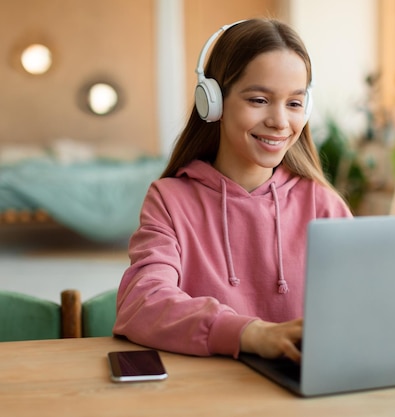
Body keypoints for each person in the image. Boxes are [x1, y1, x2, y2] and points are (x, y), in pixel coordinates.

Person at [113, 18, 352, 363]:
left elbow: (363, 309)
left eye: (295, 103)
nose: (280, 122)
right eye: (259, 99)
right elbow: (141, 303)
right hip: (208, 394)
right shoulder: (169, 200)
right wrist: (250, 333)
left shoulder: (323, 204)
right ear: (213, 102)